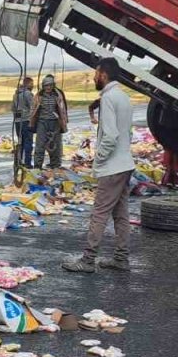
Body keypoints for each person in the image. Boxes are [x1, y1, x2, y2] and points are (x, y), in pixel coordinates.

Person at [62, 58, 136, 273]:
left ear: (104, 75)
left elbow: (110, 136)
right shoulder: (123, 97)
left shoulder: (109, 99)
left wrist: (100, 159)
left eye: (96, 73)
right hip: (125, 163)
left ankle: (87, 260)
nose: (94, 77)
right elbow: (126, 133)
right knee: (120, 215)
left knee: (99, 213)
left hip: (112, 167)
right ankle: (121, 258)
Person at [27, 75, 68, 169]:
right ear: (43, 86)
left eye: (50, 85)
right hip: (42, 122)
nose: (48, 87)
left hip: (55, 123)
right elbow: (33, 109)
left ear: (53, 85)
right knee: (40, 145)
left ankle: (55, 165)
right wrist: (31, 122)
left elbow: (63, 109)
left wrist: (63, 122)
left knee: (55, 145)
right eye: (46, 85)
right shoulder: (39, 96)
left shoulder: (58, 95)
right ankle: (37, 166)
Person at [11, 77, 35, 167]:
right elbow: (33, 108)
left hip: (17, 121)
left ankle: (18, 162)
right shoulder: (28, 94)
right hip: (26, 121)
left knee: (20, 142)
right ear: (28, 84)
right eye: (32, 84)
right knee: (28, 142)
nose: (33, 86)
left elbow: (13, 108)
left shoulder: (15, 94)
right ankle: (27, 163)